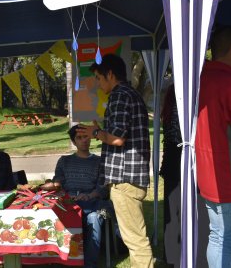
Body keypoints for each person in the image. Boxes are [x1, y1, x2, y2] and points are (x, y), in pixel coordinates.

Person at [77, 54, 154, 267]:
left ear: (110, 74)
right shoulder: (130, 94)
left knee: (135, 240)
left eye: (99, 78)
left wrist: (96, 132)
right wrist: (101, 129)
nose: (99, 84)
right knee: (135, 237)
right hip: (130, 176)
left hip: (124, 178)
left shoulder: (120, 95)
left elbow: (118, 138)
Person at [196, 25, 231, 268]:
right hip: (226, 175)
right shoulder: (228, 81)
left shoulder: (197, 80)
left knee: (218, 235)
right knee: (224, 238)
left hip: (207, 174)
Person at [46, 124, 108, 268]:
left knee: (94, 218)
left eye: (86, 136)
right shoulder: (64, 161)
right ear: (74, 142)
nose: (84, 140)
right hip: (69, 203)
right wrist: (57, 186)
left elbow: (103, 188)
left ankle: (89, 265)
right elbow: (58, 182)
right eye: (79, 138)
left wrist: (89, 195)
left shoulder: (99, 162)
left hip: (91, 203)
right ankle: (62, 260)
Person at [159, 84, 182, 268]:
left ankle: (171, 256)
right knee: (183, 211)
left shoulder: (170, 101)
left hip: (171, 162)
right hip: (182, 161)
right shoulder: (182, 103)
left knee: (172, 212)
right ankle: (179, 255)